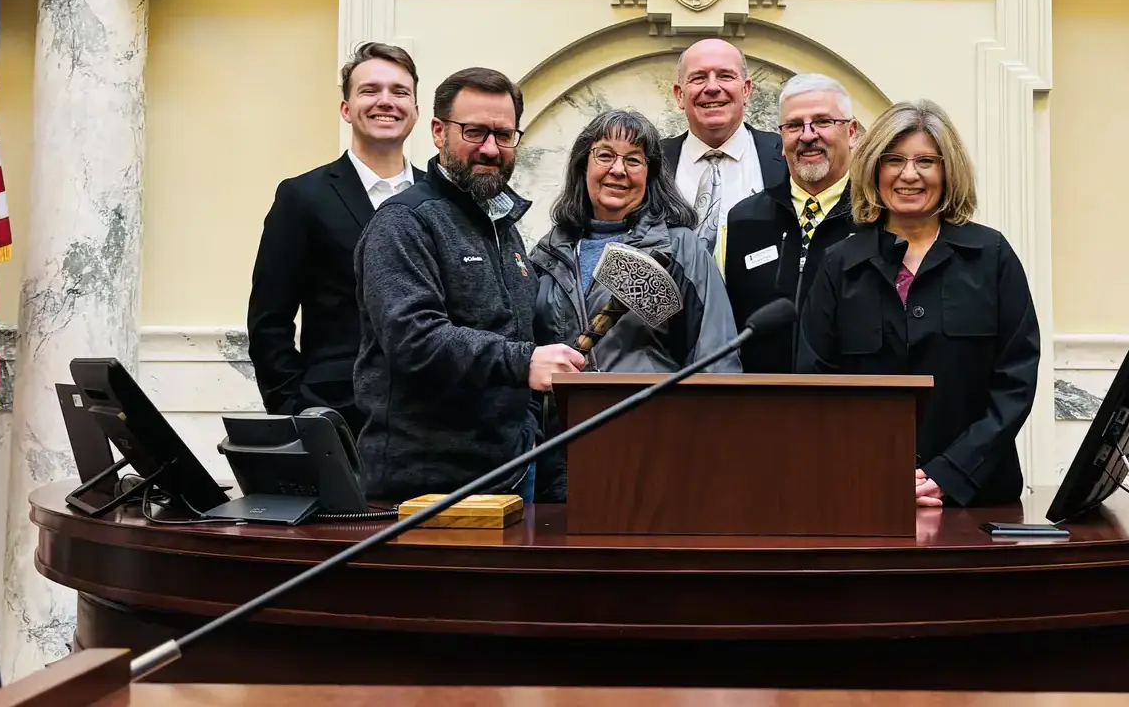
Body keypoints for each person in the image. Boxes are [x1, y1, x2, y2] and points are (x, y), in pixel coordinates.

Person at [352, 67, 586, 503]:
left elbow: (517, 335)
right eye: (475, 132)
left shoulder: (505, 228)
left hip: (512, 476)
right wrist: (525, 362)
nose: (491, 149)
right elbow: (413, 339)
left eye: (504, 134)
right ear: (438, 131)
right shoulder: (405, 222)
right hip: (423, 490)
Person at [797, 100, 1041, 508]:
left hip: (977, 495)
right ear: (875, 169)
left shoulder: (991, 255)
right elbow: (816, 382)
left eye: (926, 161)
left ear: (948, 172)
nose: (909, 175)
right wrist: (878, 470)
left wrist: (950, 472)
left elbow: (1015, 381)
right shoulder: (838, 263)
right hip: (864, 489)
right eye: (894, 160)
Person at [529, 109, 741, 501]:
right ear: (582, 165)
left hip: (651, 448)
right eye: (604, 155)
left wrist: (712, 454)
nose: (618, 170)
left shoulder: (680, 248)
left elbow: (716, 356)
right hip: (557, 455)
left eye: (633, 159)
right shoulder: (548, 252)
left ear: (652, 174)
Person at [246, 42, 423, 429]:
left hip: (429, 419)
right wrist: (294, 409)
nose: (386, 101)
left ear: (415, 111)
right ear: (346, 109)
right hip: (334, 415)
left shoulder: (440, 199)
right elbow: (268, 322)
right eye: (369, 90)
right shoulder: (302, 196)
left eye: (399, 91)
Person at [717, 73, 868, 373]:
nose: (808, 136)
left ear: (851, 132)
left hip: (853, 409)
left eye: (823, 122)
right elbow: (718, 331)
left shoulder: (877, 219)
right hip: (759, 407)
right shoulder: (741, 222)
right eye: (794, 125)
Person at [661, 38, 788, 254]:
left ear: (746, 90)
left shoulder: (787, 156)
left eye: (725, 76)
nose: (712, 87)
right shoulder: (651, 161)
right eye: (698, 78)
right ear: (679, 95)